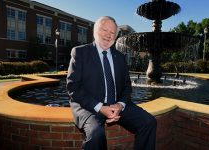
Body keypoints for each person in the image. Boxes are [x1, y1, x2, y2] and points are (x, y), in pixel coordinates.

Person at [66, 16, 157, 150]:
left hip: (116, 105)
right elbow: (73, 87)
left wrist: (120, 105)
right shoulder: (80, 52)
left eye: (112, 33)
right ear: (95, 31)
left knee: (149, 122)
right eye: (105, 30)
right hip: (89, 106)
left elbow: (127, 86)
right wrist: (100, 107)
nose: (109, 35)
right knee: (96, 135)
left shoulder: (120, 57)